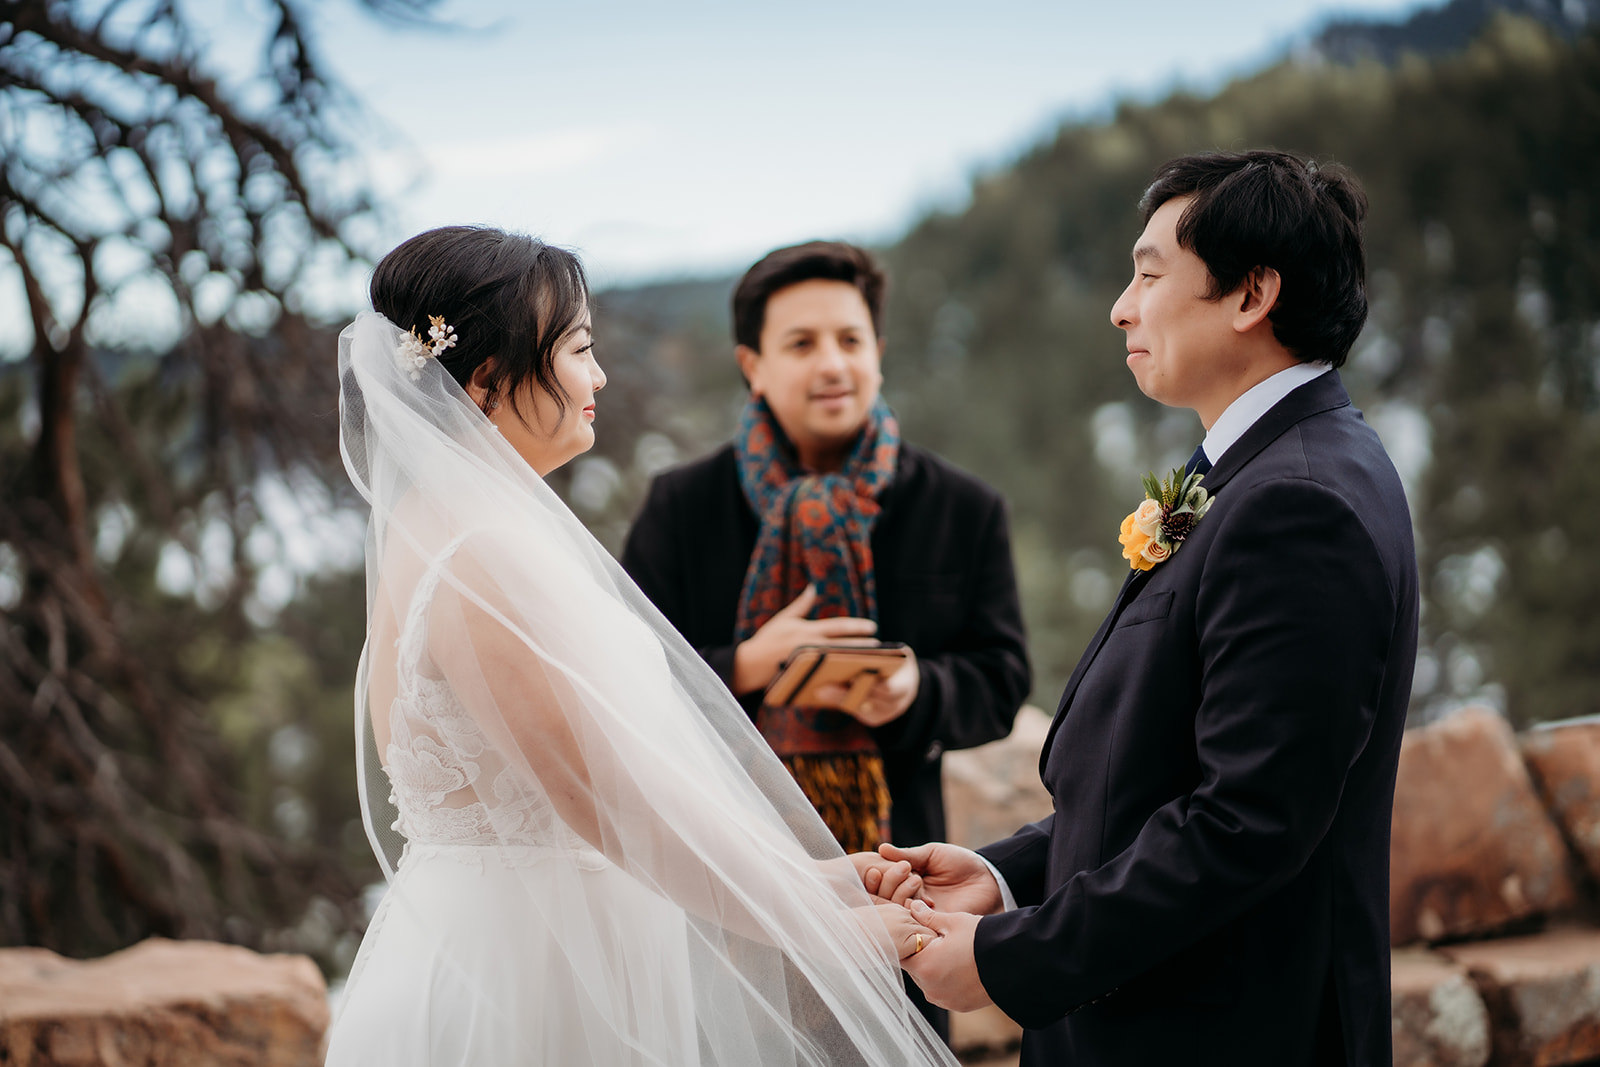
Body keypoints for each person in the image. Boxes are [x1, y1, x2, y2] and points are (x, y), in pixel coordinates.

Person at [323, 226, 956, 1066]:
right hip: (525, 984)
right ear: (484, 381)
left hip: (531, 942)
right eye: (580, 350)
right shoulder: (482, 555)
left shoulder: (456, 529)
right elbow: (610, 799)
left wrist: (824, 880)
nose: (600, 376)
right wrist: (824, 927)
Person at [862, 151, 1420, 1067]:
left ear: (1252, 295)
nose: (1122, 306)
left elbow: (1244, 823)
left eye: (1150, 273)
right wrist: (1003, 877)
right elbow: (1154, 777)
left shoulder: (1302, 501)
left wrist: (1012, 957)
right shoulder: (1246, 474)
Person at [621, 240, 1031, 856]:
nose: (833, 365)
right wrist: (749, 665)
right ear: (752, 365)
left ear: (879, 354)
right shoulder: (681, 507)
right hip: (723, 860)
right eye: (802, 344)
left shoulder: (962, 507)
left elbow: (1003, 677)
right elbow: (625, 670)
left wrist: (916, 688)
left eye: (850, 340)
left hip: (897, 862)